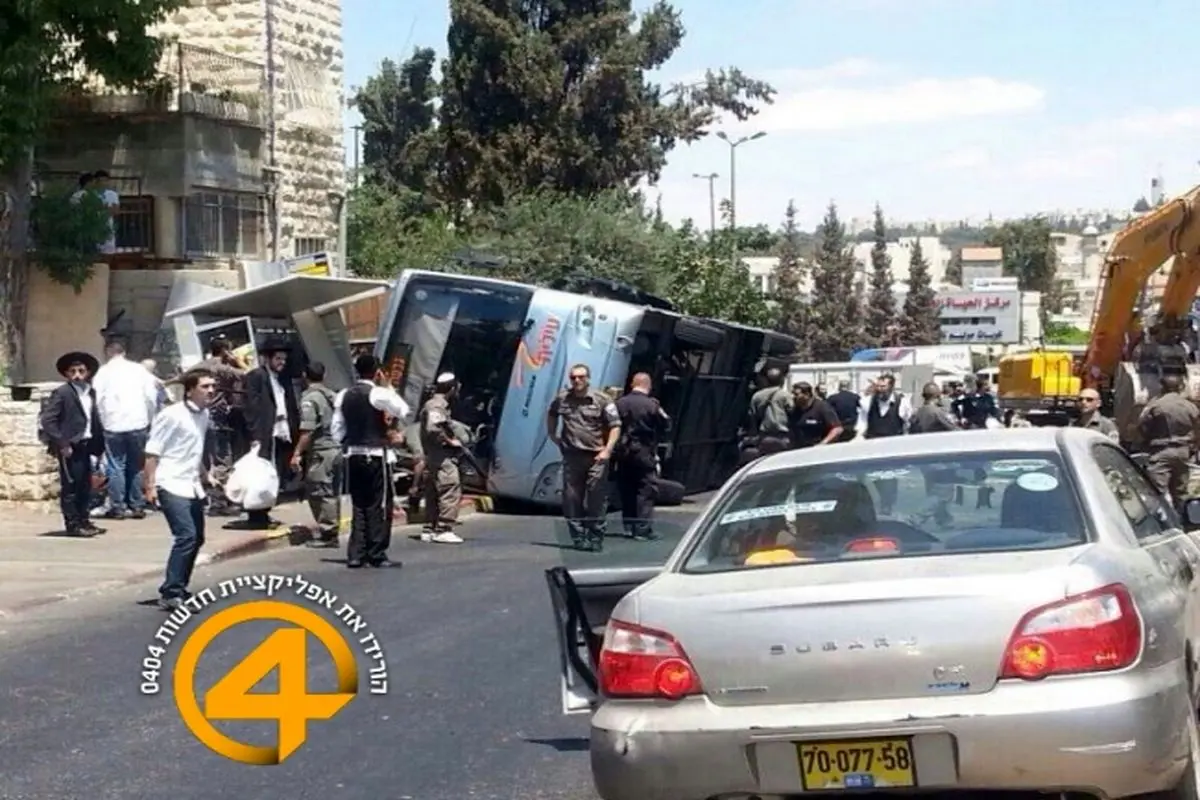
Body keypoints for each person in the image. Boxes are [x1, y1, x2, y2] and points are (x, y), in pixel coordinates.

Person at [144, 368, 216, 611]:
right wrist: (150, 486)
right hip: (170, 482)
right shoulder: (171, 415)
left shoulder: (204, 414)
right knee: (186, 536)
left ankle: (180, 587)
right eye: (205, 386)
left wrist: (206, 475)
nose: (211, 391)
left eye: (212, 386)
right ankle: (171, 591)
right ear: (190, 390)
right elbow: (152, 452)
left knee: (197, 538)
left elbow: (195, 448)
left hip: (192, 484)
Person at [331, 354, 411, 568]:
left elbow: (337, 430)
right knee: (378, 504)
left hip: (353, 455)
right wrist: (388, 386)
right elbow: (403, 409)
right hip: (375, 455)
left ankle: (356, 554)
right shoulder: (378, 393)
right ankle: (376, 553)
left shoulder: (344, 395)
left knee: (358, 505)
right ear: (377, 372)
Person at [547, 363, 621, 552]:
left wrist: (607, 450)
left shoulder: (602, 400)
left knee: (596, 497)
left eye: (581, 377)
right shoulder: (562, 398)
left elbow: (615, 426)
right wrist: (552, 435)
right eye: (573, 377)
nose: (577, 381)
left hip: (597, 456)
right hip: (572, 455)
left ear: (588, 378)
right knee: (572, 498)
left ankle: (595, 536)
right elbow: (552, 414)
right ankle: (578, 537)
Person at [39, 351, 105, 537]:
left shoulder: (90, 392)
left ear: (88, 372)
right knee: (71, 486)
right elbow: (48, 420)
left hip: (86, 443)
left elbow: (93, 419)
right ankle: (73, 524)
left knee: (85, 485)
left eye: (81, 371)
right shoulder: (62, 393)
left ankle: (84, 520)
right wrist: (62, 443)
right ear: (67, 374)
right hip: (70, 446)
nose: (77, 375)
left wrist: (99, 445)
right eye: (73, 371)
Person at [92, 338, 159, 520]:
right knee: (136, 465)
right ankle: (136, 505)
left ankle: (118, 507)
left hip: (113, 424)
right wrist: (149, 418)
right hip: (138, 422)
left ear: (107, 352)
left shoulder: (103, 372)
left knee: (115, 466)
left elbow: (97, 400)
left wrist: (102, 420)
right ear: (124, 352)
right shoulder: (139, 370)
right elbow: (151, 397)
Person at [242, 337, 299, 530]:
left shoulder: (282, 379)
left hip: (280, 432)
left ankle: (265, 511)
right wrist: (255, 435)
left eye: (284, 359)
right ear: (268, 358)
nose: (282, 363)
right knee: (260, 475)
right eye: (278, 359)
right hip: (263, 433)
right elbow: (251, 407)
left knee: (274, 474)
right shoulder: (257, 376)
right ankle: (256, 515)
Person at [614, 372, 671, 541]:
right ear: (648, 385)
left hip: (623, 452)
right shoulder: (652, 405)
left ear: (632, 384)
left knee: (627, 488)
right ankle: (642, 529)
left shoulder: (620, 403)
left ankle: (628, 525)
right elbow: (666, 424)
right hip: (644, 451)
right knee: (646, 489)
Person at [291, 362, 342, 548]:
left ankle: (328, 533)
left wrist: (297, 453)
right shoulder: (333, 396)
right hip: (337, 448)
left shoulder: (310, 399)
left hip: (322, 451)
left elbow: (307, 430)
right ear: (324, 375)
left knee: (320, 491)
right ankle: (331, 529)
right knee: (332, 492)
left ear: (305, 376)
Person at [196, 336, 247, 516]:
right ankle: (219, 502)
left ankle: (207, 498)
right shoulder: (223, 368)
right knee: (222, 459)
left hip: (200, 415)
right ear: (225, 350)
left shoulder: (200, 366)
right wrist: (238, 361)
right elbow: (249, 375)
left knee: (205, 459)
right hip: (218, 416)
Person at [1137, 375, 1200, 507]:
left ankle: (1160, 517)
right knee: (1181, 492)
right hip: (1183, 452)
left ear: (1162, 387)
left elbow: (1143, 427)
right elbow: (1197, 429)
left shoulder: (1155, 405)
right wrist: (1193, 448)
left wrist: (1146, 442)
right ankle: (1182, 516)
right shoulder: (1190, 406)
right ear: (1180, 387)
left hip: (1161, 451)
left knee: (1156, 492)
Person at [418, 373, 466, 544]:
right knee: (449, 489)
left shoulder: (435, 404)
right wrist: (451, 441)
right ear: (452, 389)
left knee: (433, 492)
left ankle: (430, 528)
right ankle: (444, 529)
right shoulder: (437, 405)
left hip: (433, 455)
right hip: (441, 456)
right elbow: (434, 429)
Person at [857, 374, 910, 514]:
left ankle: (888, 503)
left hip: (893, 446)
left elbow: (907, 424)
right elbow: (862, 424)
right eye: (879, 386)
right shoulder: (867, 402)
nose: (880, 389)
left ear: (891, 387)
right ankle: (884, 500)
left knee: (891, 477)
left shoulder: (902, 403)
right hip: (873, 445)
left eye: (883, 386)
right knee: (876, 476)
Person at [748, 368, 792, 454]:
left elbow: (752, 415)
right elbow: (792, 411)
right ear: (782, 380)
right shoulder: (785, 395)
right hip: (783, 436)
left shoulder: (757, 396)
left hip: (764, 436)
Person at [787, 382, 842, 448]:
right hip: (800, 449)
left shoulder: (822, 407)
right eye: (792, 394)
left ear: (807, 394)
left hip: (817, 449)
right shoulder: (795, 411)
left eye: (796, 394)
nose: (793, 397)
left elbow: (837, 429)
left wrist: (822, 444)